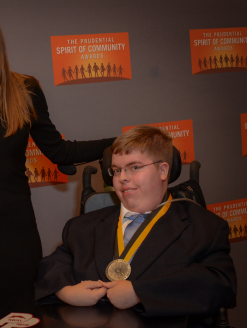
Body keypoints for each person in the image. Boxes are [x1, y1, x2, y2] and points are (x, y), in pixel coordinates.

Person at [0, 0, 115, 326]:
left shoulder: (25, 90)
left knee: (28, 316)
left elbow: (59, 152)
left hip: (18, 230)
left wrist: (117, 144)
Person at [35, 125, 236, 317]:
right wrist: (65, 292)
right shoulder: (81, 226)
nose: (122, 178)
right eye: (116, 170)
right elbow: (51, 268)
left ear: (163, 171)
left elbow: (221, 285)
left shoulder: (204, 227)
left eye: (135, 167)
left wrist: (140, 293)